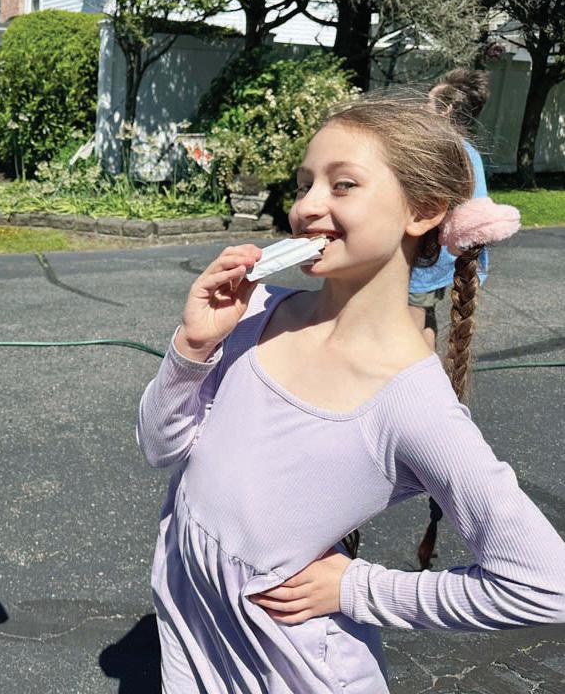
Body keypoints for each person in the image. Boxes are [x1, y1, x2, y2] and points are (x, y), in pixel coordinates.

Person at [138, 101, 565, 693]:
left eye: (343, 185)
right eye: (304, 184)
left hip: (295, 670)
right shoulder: (255, 313)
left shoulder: (410, 401)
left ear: (422, 211)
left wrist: (356, 588)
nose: (305, 207)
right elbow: (161, 447)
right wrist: (192, 347)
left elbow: (544, 584)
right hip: (196, 635)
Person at [409, 69, 491, 350]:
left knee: (409, 322)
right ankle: (427, 368)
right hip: (442, 256)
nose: (423, 108)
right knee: (425, 316)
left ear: (446, 109)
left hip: (427, 255)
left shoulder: (445, 151)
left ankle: (412, 374)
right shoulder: (467, 149)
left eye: (428, 103)